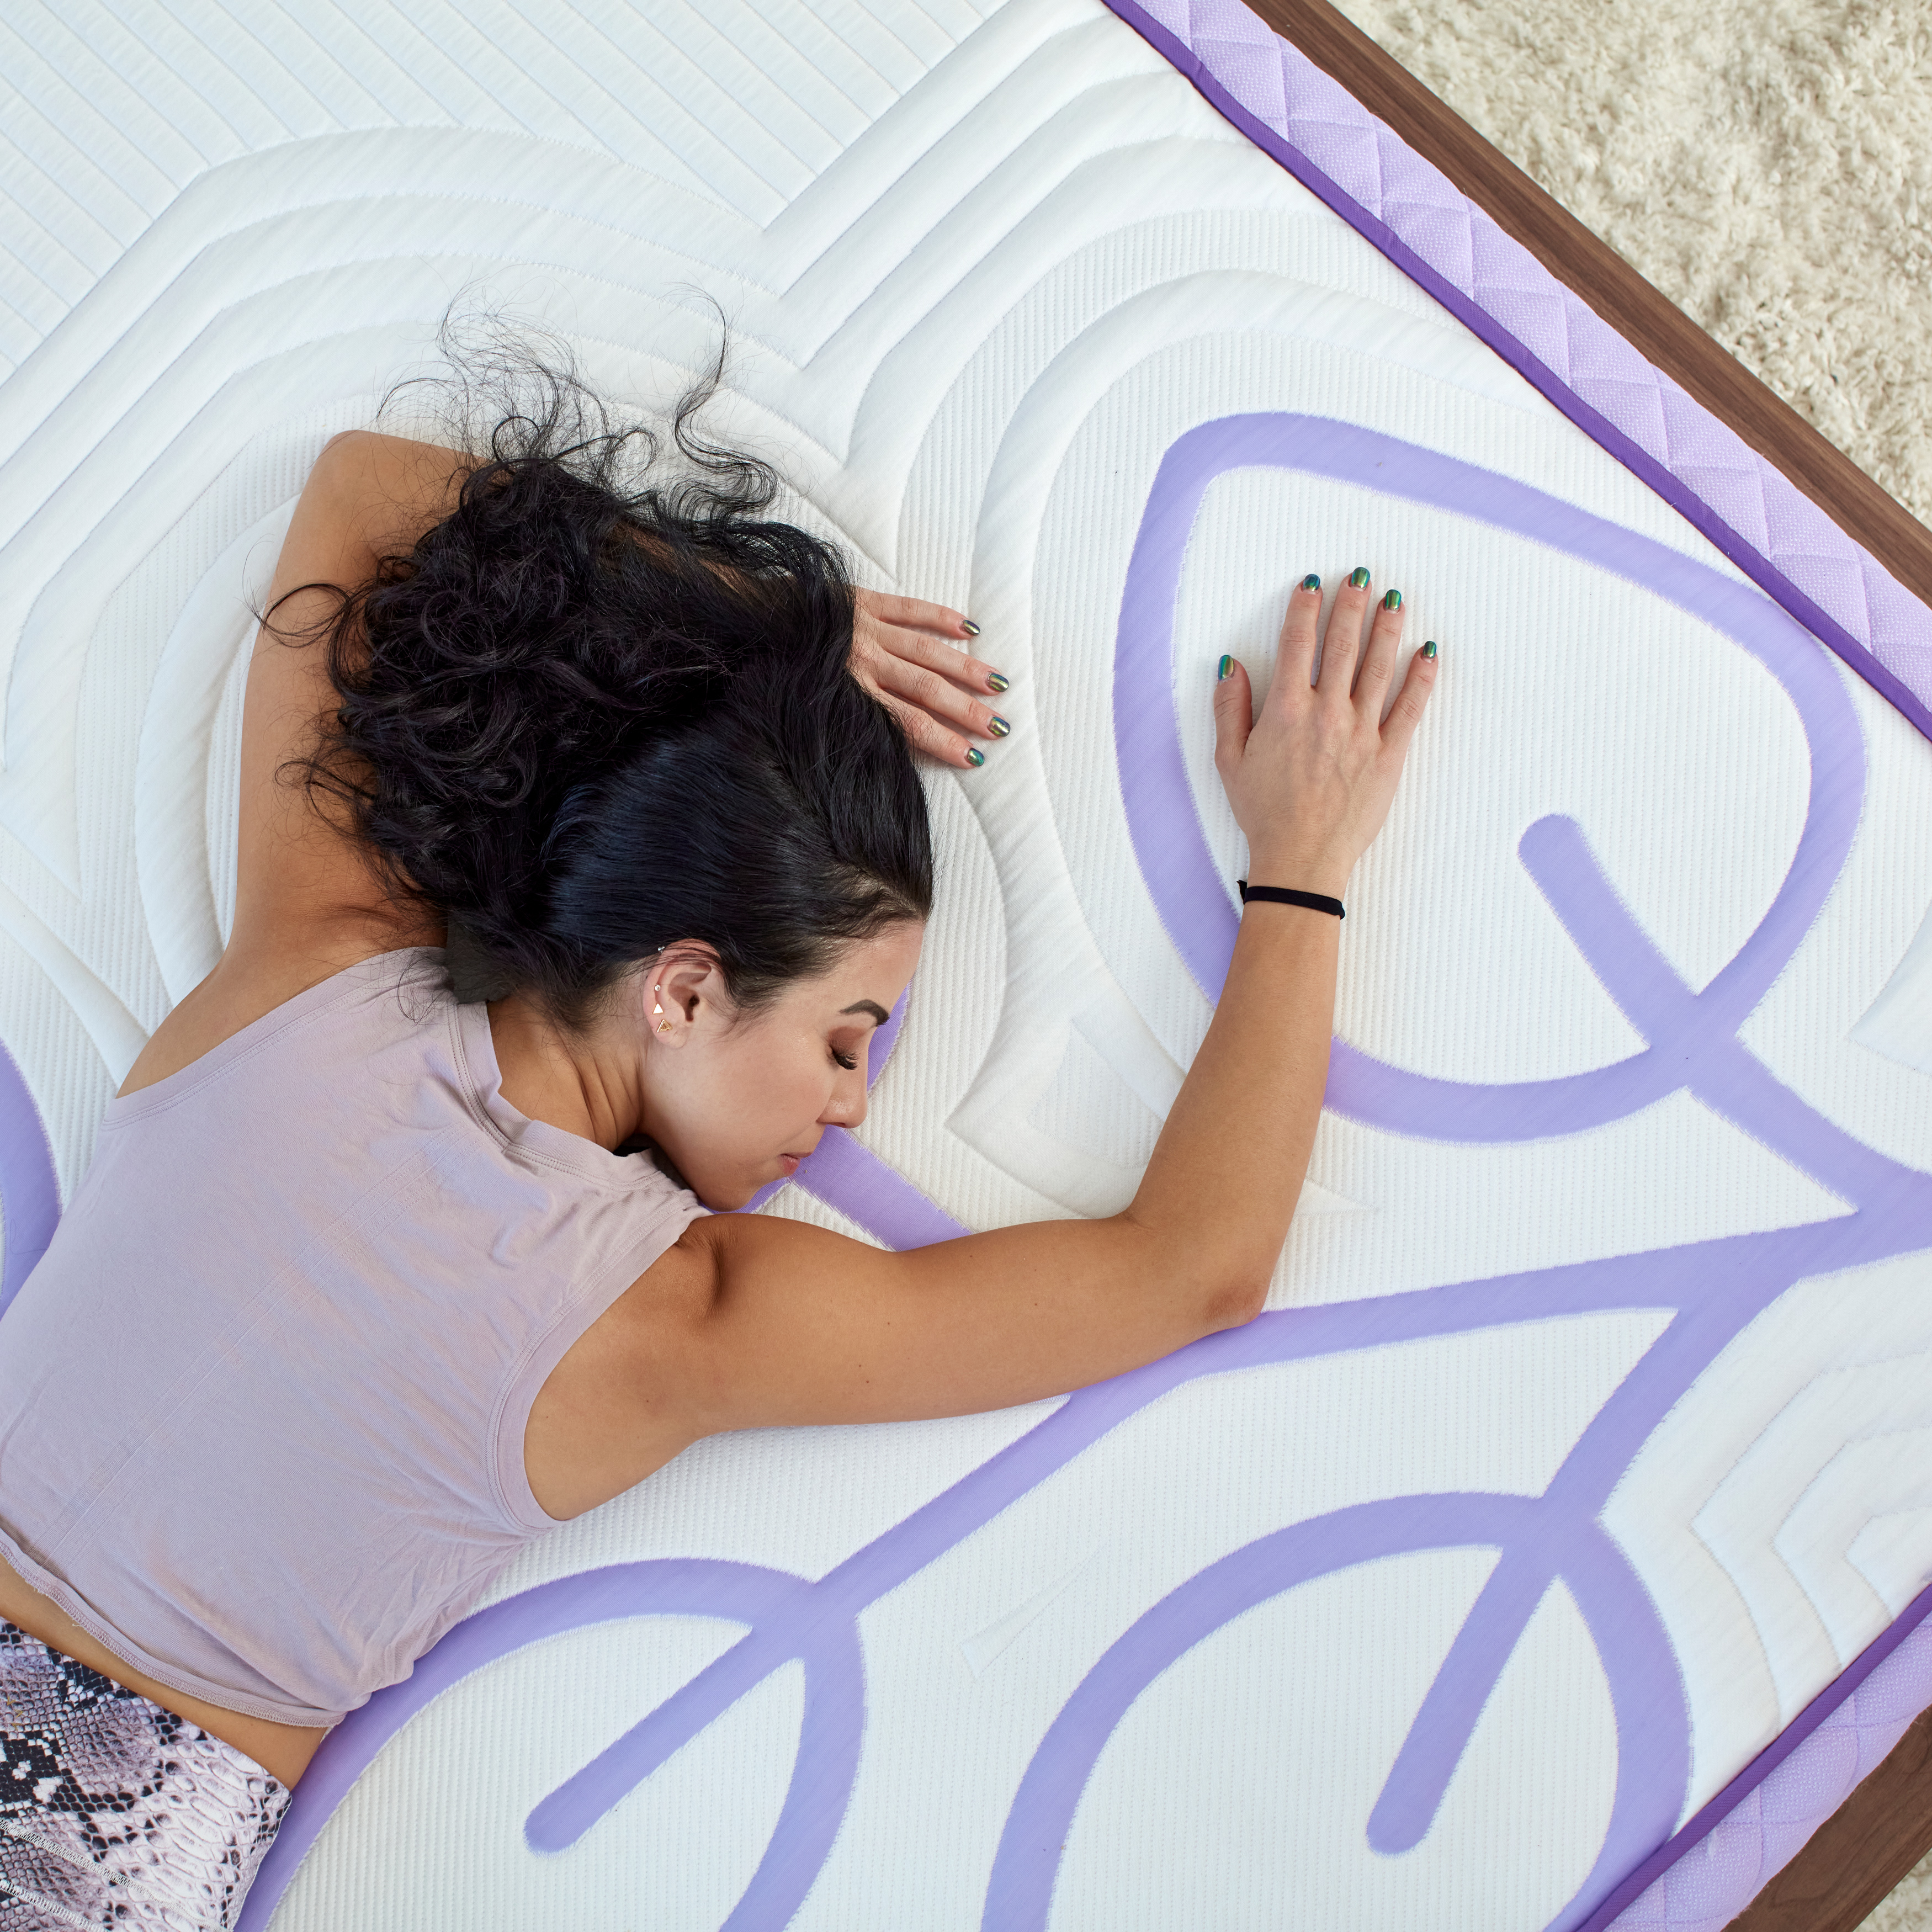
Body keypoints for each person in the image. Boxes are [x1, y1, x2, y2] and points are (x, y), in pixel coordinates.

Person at [0, 368, 1436, 1930]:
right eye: (846, 1037)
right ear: (682, 984)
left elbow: (364, 495)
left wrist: (769, 622)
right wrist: (1300, 869)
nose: (853, 1111)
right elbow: (1186, 1273)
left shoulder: (316, 961)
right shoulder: (669, 1316)